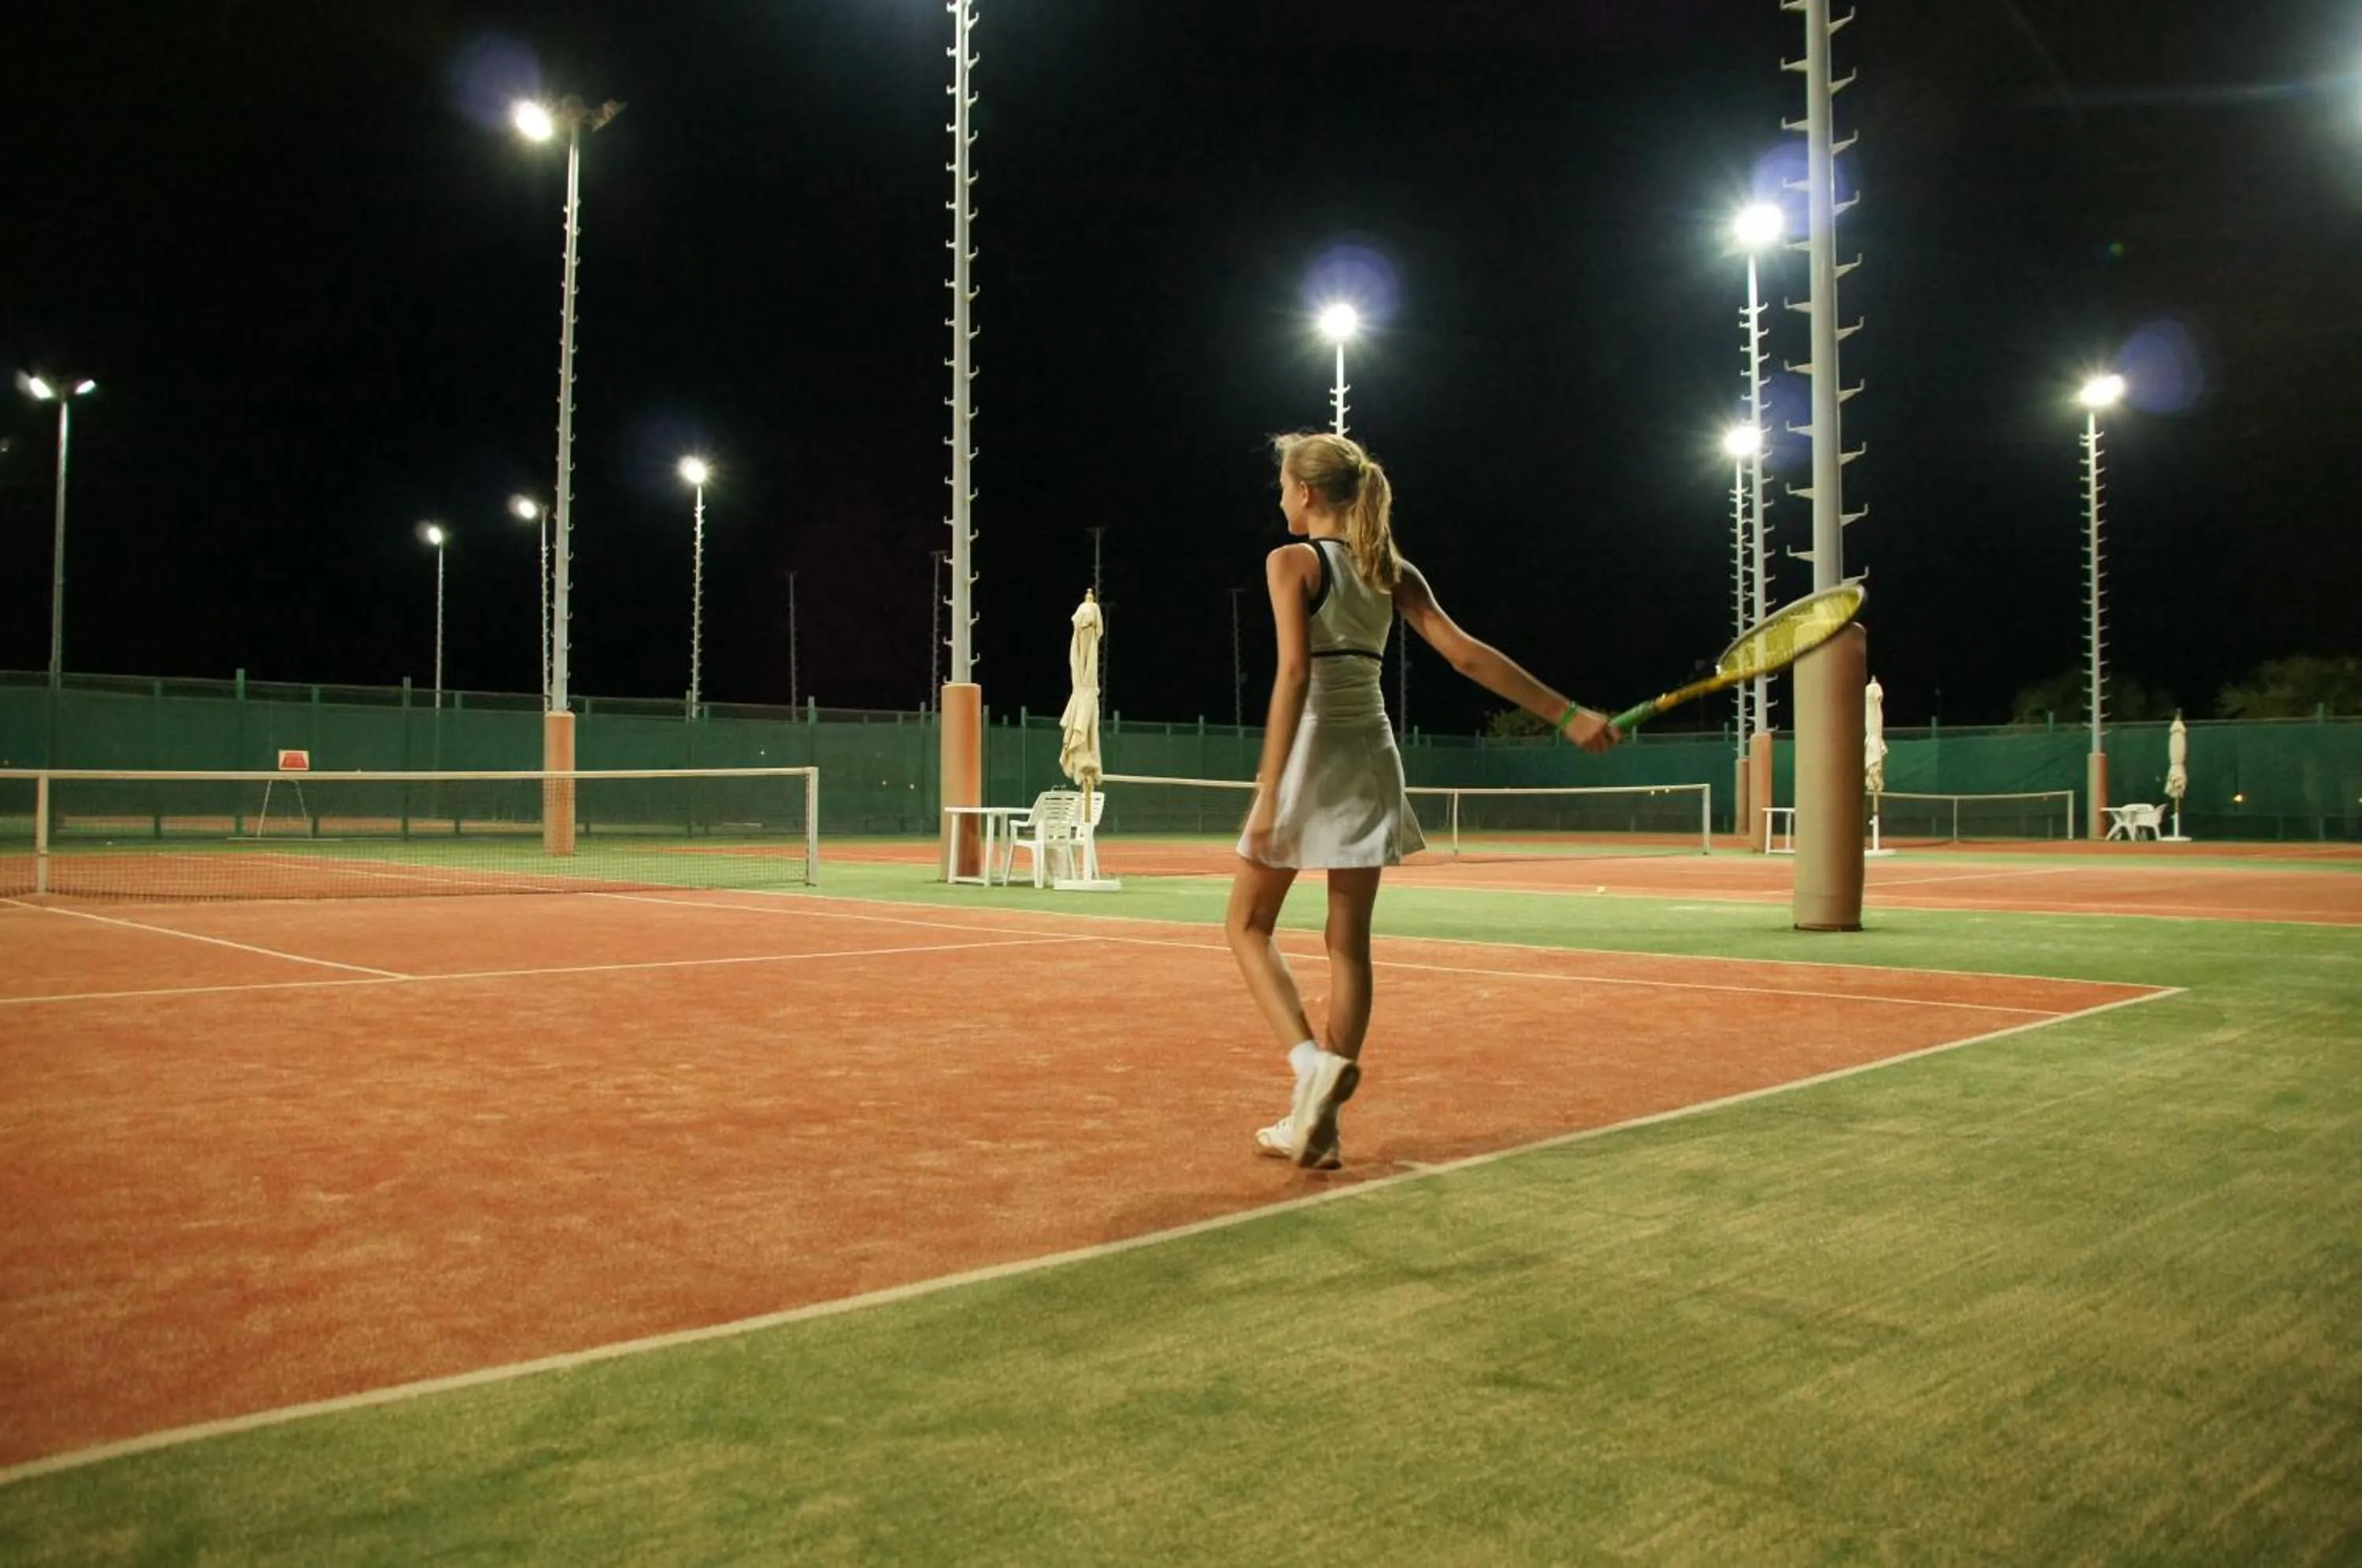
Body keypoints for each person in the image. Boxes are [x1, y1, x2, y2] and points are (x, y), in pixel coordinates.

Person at [1227, 431, 1620, 1169]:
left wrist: (1270, 782)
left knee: (1245, 924)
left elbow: (1292, 675)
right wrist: (1568, 715)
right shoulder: (1389, 569)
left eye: (1283, 485)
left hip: (1311, 748)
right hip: (1373, 752)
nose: (1279, 497)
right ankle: (1323, 1124)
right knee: (1349, 945)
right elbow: (1467, 653)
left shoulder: (1290, 561)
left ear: (1307, 493)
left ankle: (1310, 1068)